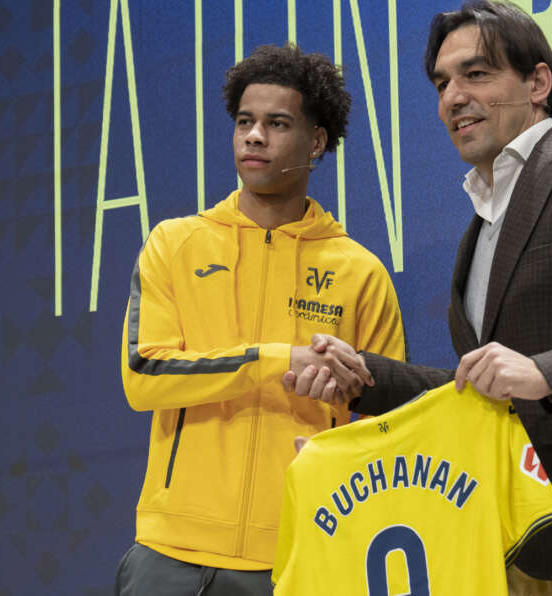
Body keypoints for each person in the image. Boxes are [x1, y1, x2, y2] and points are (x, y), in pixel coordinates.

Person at [286, 2, 552, 593]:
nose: (453, 97)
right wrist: (365, 378)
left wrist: (545, 373)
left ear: (538, 84)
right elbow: (486, 387)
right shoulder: (483, 222)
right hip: (518, 547)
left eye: (476, 74)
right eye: (442, 83)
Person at [115, 43, 405, 596]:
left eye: (277, 123)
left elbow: (387, 423)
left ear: (316, 142)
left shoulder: (360, 273)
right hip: (169, 551)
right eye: (244, 121)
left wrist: (343, 402)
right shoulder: (174, 244)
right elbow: (144, 375)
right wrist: (277, 360)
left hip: (298, 551)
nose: (254, 136)